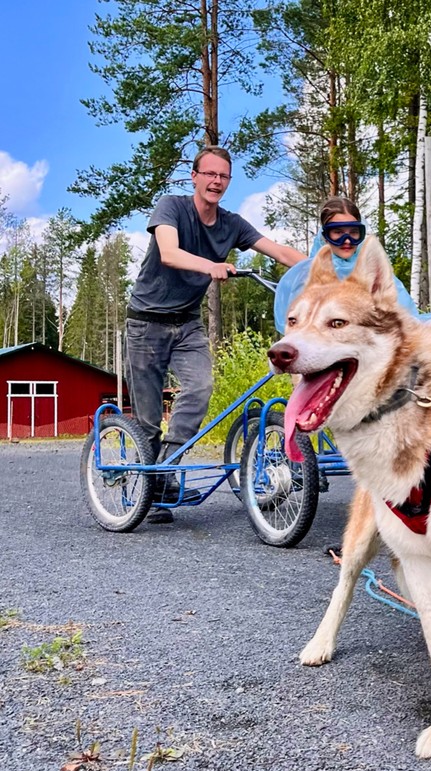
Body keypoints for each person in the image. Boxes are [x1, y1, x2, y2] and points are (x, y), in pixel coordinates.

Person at [126, 146, 307, 523]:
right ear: (194, 177)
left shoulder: (232, 224)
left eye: (223, 176)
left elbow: (275, 250)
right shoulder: (171, 208)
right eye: (209, 174)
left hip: (187, 322)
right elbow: (170, 253)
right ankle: (153, 489)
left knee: (200, 388)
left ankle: (164, 472)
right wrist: (212, 266)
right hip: (146, 323)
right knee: (146, 420)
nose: (216, 181)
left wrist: (327, 267)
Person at [274, 197, 431, 357]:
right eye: (338, 233)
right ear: (325, 236)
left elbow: (400, 314)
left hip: (382, 338)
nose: (347, 240)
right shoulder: (313, 277)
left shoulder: (370, 268)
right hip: (336, 346)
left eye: (353, 232)